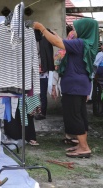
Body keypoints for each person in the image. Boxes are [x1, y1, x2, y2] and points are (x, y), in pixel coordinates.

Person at [33, 18, 99, 158]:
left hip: (74, 86)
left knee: (74, 115)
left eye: (76, 28)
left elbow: (58, 43)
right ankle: (81, 144)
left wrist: (42, 28)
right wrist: (54, 34)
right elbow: (61, 42)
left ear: (84, 29)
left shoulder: (80, 43)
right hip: (80, 85)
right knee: (80, 114)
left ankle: (84, 147)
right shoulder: (87, 43)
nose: (74, 31)